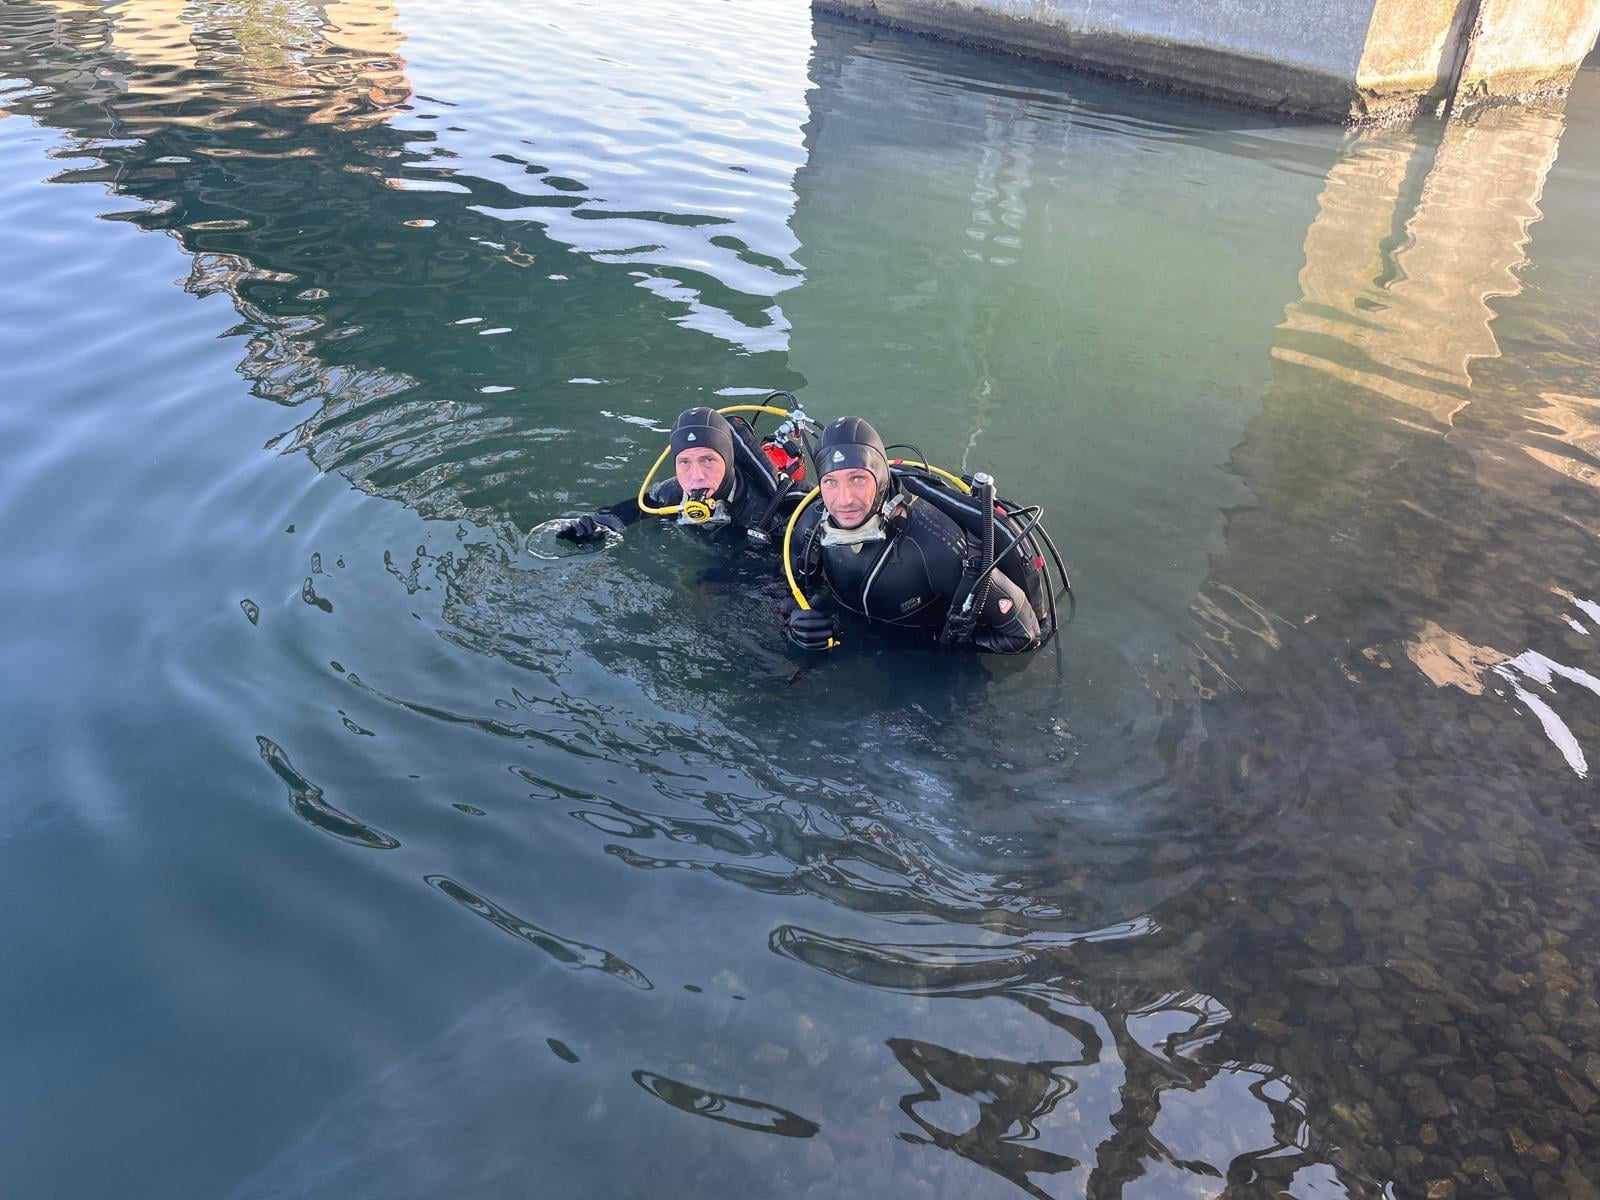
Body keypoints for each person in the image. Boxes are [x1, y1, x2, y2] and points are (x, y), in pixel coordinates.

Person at [784, 416, 1047, 654]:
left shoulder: (937, 549)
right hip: (849, 644)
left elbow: (1024, 635)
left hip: (923, 664)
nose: (844, 500)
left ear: (881, 478)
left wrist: (932, 646)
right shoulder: (809, 527)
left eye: (858, 479)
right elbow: (783, 588)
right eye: (831, 482)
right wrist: (793, 622)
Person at [556, 406, 804, 545]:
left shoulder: (765, 511)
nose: (696, 476)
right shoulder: (673, 493)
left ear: (728, 460)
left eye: (708, 460)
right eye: (684, 462)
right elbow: (636, 509)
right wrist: (599, 525)